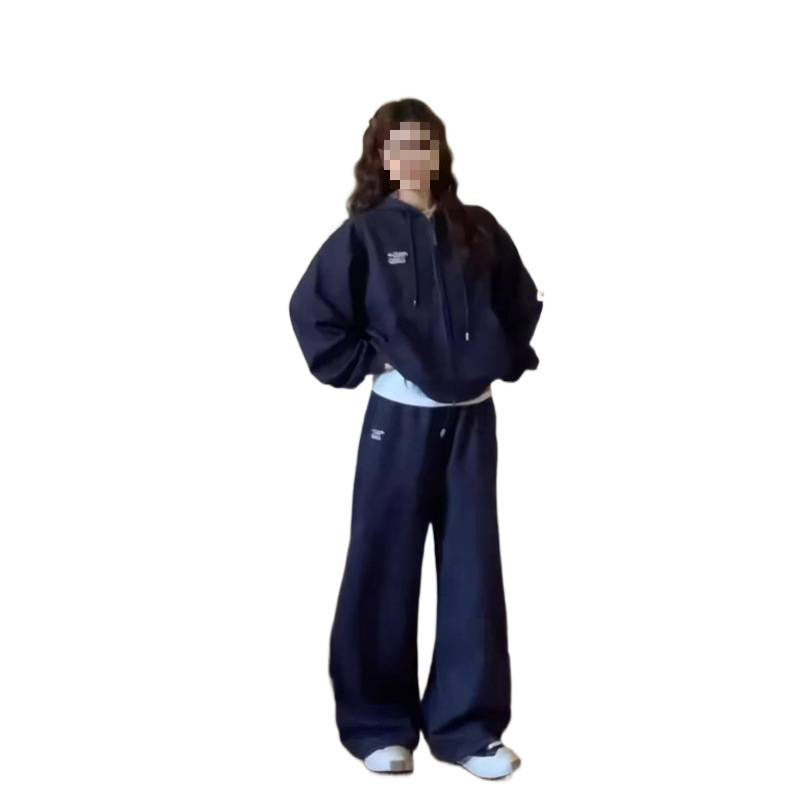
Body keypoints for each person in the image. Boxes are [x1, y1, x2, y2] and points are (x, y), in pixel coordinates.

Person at [288, 97, 544, 780]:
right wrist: (377, 360)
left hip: (471, 423)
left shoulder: (477, 229)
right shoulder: (365, 236)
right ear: (380, 157)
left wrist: (493, 356)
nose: (411, 157)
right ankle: (378, 725)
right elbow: (312, 312)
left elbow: (521, 300)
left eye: (422, 143)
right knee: (383, 564)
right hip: (396, 422)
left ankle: (468, 730)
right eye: (396, 146)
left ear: (439, 152)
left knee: (471, 573)